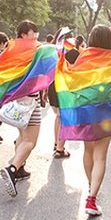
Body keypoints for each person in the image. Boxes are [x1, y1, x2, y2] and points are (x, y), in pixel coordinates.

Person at [54, 25, 111, 215]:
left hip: (85, 113)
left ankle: (91, 186)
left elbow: (74, 82)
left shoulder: (84, 56)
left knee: (88, 152)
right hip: (106, 113)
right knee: (101, 156)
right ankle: (92, 198)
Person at [0, 21, 50, 194]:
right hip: (30, 99)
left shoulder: (11, 48)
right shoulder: (33, 50)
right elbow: (42, 71)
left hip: (18, 97)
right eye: (32, 32)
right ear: (23, 34)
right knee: (30, 140)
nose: (35, 35)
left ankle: (20, 168)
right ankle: (12, 169)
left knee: (22, 135)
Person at [47, 27, 76, 158]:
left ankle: (56, 143)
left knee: (58, 116)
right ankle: (60, 148)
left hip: (53, 86)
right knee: (65, 118)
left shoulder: (52, 50)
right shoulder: (73, 52)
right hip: (66, 88)